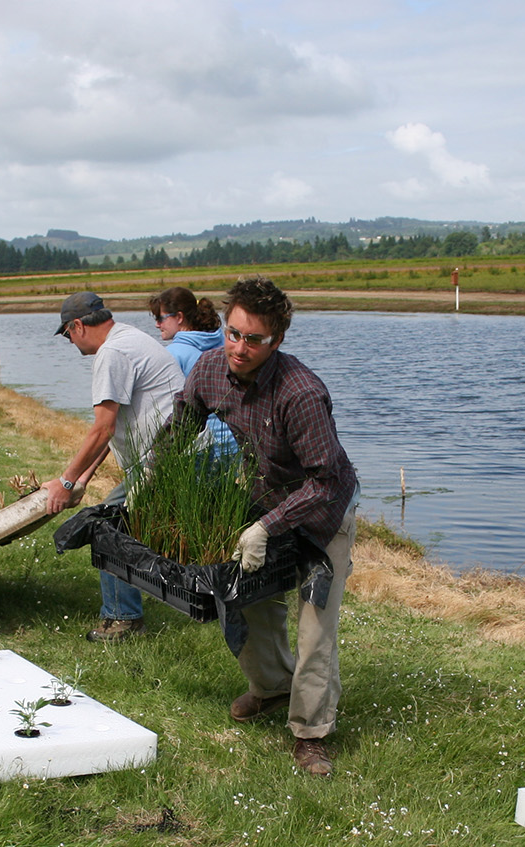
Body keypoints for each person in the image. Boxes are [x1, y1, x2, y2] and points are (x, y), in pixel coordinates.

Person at [172, 276, 359, 777]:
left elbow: (324, 480)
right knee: (250, 603)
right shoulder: (212, 367)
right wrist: (157, 468)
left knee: (315, 626)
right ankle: (274, 688)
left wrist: (267, 527)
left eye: (254, 339)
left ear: (277, 340)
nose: (239, 347)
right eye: (233, 333)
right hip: (263, 500)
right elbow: (184, 420)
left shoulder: (301, 393)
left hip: (324, 514)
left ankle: (311, 732)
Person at [43, 290, 184, 643]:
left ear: (77, 326)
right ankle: (128, 611)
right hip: (167, 457)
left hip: (163, 462)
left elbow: (102, 427)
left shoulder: (112, 353)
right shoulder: (129, 338)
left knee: (109, 528)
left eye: (66, 334)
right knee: (118, 522)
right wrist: (82, 481)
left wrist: (65, 481)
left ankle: (123, 619)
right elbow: (116, 427)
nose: (69, 342)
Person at [148, 286, 239, 460]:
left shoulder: (174, 353)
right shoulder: (222, 342)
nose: (157, 324)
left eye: (161, 318)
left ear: (179, 317)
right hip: (234, 439)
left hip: (203, 445)